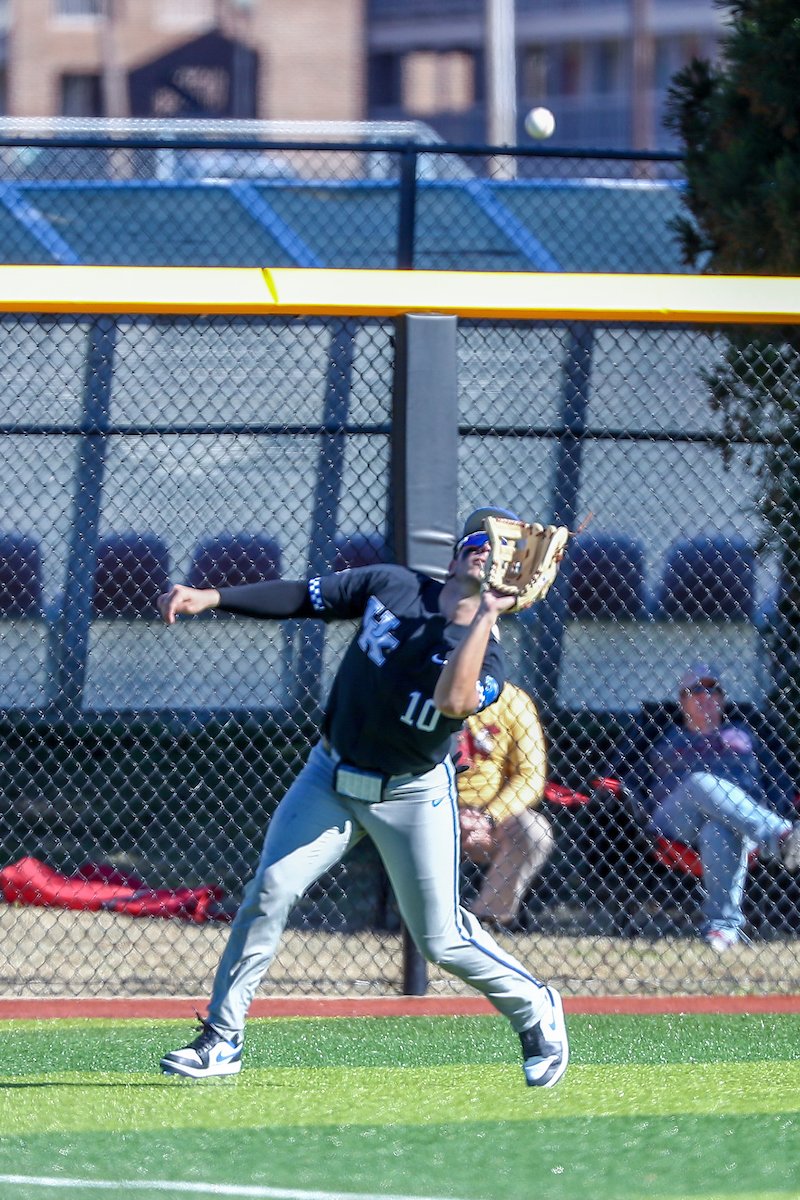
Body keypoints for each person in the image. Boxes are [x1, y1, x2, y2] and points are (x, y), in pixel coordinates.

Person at [156, 506, 569, 1087]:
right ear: (454, 553)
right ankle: (222, 1039)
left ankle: (535, 1007)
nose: (486, 549)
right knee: (269, 891)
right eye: (477, 539)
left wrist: (486, 615)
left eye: (500, 548)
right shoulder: (392, 584)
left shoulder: (490, 657)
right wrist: (213, 597)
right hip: (329, 775)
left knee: (441, 939)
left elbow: (453, 701)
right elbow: (304, 597)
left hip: (411, 794)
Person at [625, 662, 800, 951]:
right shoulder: (663, 736)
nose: (705, 696)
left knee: (719, 828)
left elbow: (780, 780)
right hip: (674, 824)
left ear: (723, 699)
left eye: (713, 689)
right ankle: (782, 836)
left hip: (739, 823)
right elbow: (626, 778)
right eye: (696, 690)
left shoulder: (746, 735)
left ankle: (722, 929)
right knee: (700, 783)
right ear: (682, 700)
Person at [457, 681, 554, 929]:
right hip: (430, 810)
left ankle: (480, 922)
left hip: (487, 821)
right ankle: (425, 921)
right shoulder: (424, 688)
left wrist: (488, 817)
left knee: (533, 831)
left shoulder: (513, 700)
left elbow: (531, 777)